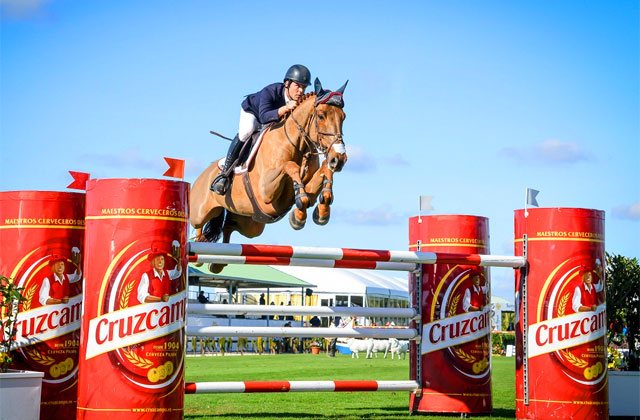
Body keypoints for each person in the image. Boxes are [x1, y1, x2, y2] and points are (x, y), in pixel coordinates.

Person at [210, 64, 312, 194]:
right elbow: (263, 117)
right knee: (247, 131)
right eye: (298, 86)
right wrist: (285, 108)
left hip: (272, 118)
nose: (301, 91)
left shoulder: (298, 101)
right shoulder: (270, 91)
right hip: (253, 112)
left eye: (304, 87)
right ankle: (224, 175)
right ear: (287, 83)